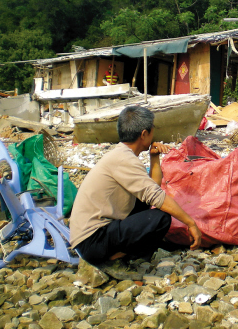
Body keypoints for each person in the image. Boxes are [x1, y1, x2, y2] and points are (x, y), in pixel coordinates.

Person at [70, 105, 202, 276]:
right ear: (144, 134)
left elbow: (151, 189)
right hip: (92, 241)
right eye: (152, 129)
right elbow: (157, 197)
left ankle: (117, 254)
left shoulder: (122, 155)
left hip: (91, 238)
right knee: (161, 219)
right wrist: (191, 223)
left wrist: (154, 158)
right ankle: (112, 260)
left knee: (144, 205)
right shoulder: (124, 159)